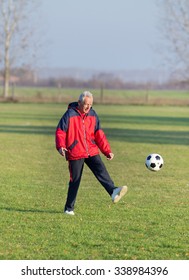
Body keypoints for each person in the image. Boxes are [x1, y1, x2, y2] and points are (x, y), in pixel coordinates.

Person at [55, 91, 128, 215]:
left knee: (101, 170)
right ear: (79, 103)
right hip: (76, 151)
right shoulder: (69, 114)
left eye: (90, 104)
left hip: (91, 150)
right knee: (75, 180)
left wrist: (107, 151)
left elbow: (99, 134)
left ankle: (113, 191)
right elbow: (60, 132)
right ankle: (69, 208)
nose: (88, 107)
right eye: (85, 104)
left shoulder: (93, 114)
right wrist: (61, 146)